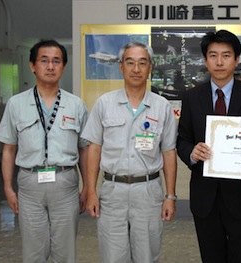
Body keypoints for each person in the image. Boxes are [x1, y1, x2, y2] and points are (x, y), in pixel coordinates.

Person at [176, 30, 241, 263]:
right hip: (205, 196)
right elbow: (182, 139)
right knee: (211, 257)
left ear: (236, 59)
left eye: (226, 55)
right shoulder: (191, 98)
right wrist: (192, 153)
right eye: (213, 55)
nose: (219, 62)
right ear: (205, 60)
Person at [0, 39, 89, 262]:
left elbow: (85, 149)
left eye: (56, 61)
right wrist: (8, 188)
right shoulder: (16, 104)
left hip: (65, 182)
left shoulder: (76, 105)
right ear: (32, 66)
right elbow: (9, 149)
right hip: (29, 183)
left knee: (64, 252)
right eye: (44, 60)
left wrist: (87, 187)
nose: (50, 66)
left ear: (63, 66)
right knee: (34, 251)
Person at [82, 41, 177, 263]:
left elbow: (169, 152)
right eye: (130, 63)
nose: (136, 69)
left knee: (146, 255)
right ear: (121, 67)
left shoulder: (162, 106)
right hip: (112, 192)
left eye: (142, 63)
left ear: (150, 68)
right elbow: (94, 148)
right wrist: (91, 192)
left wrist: (170, 196)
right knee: (113, 256)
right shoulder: (104, 104)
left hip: (148, 191)